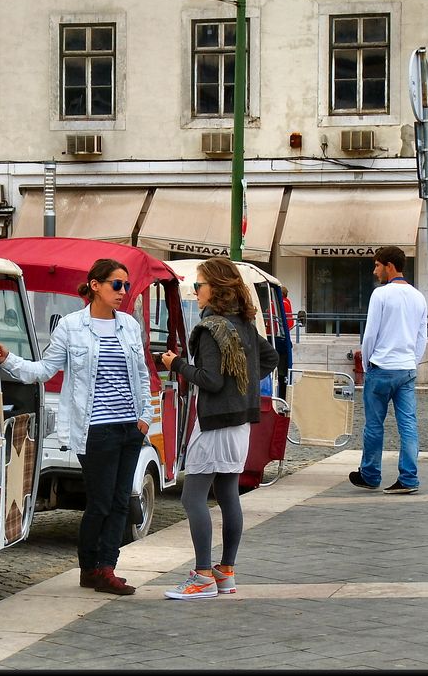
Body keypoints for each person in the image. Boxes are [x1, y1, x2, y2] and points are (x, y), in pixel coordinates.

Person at [0, 258, 151, 596]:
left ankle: (106, 567)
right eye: (116, 285)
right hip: (94, 428)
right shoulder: (71, 326)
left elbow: (141, 374)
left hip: (129, 427)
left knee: (122, 502)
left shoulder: (130, 326)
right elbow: (44, 370)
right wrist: (8, 360)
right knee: (101, 503)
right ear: (95, 285)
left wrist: (145, 418)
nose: (123, 292)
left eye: (126, 286)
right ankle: (90, 567)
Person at [159, 257, 279, 600]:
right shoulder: (242, 323)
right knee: (227, 494)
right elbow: (270, 359)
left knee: (192, 496)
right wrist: (242, 384)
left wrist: (176, 364)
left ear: (216, 289)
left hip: (214, 423)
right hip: (240, 421)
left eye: (199, 286)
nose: (196, 292)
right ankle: (225, 571)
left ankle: (201, 575)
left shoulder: (211, 328)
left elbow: (210, 381)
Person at [349, 246, 427, 495]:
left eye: (377, 265)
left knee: (374, 424)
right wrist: (412, 361)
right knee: (408, 423)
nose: (375, 271)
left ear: (389, 266)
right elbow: (420, 336)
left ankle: (370, 474)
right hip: (406, 367)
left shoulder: (381, 295)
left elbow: (370, 333)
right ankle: (409, 477)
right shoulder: (418, 296)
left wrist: (369, 361)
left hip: (382, 366)